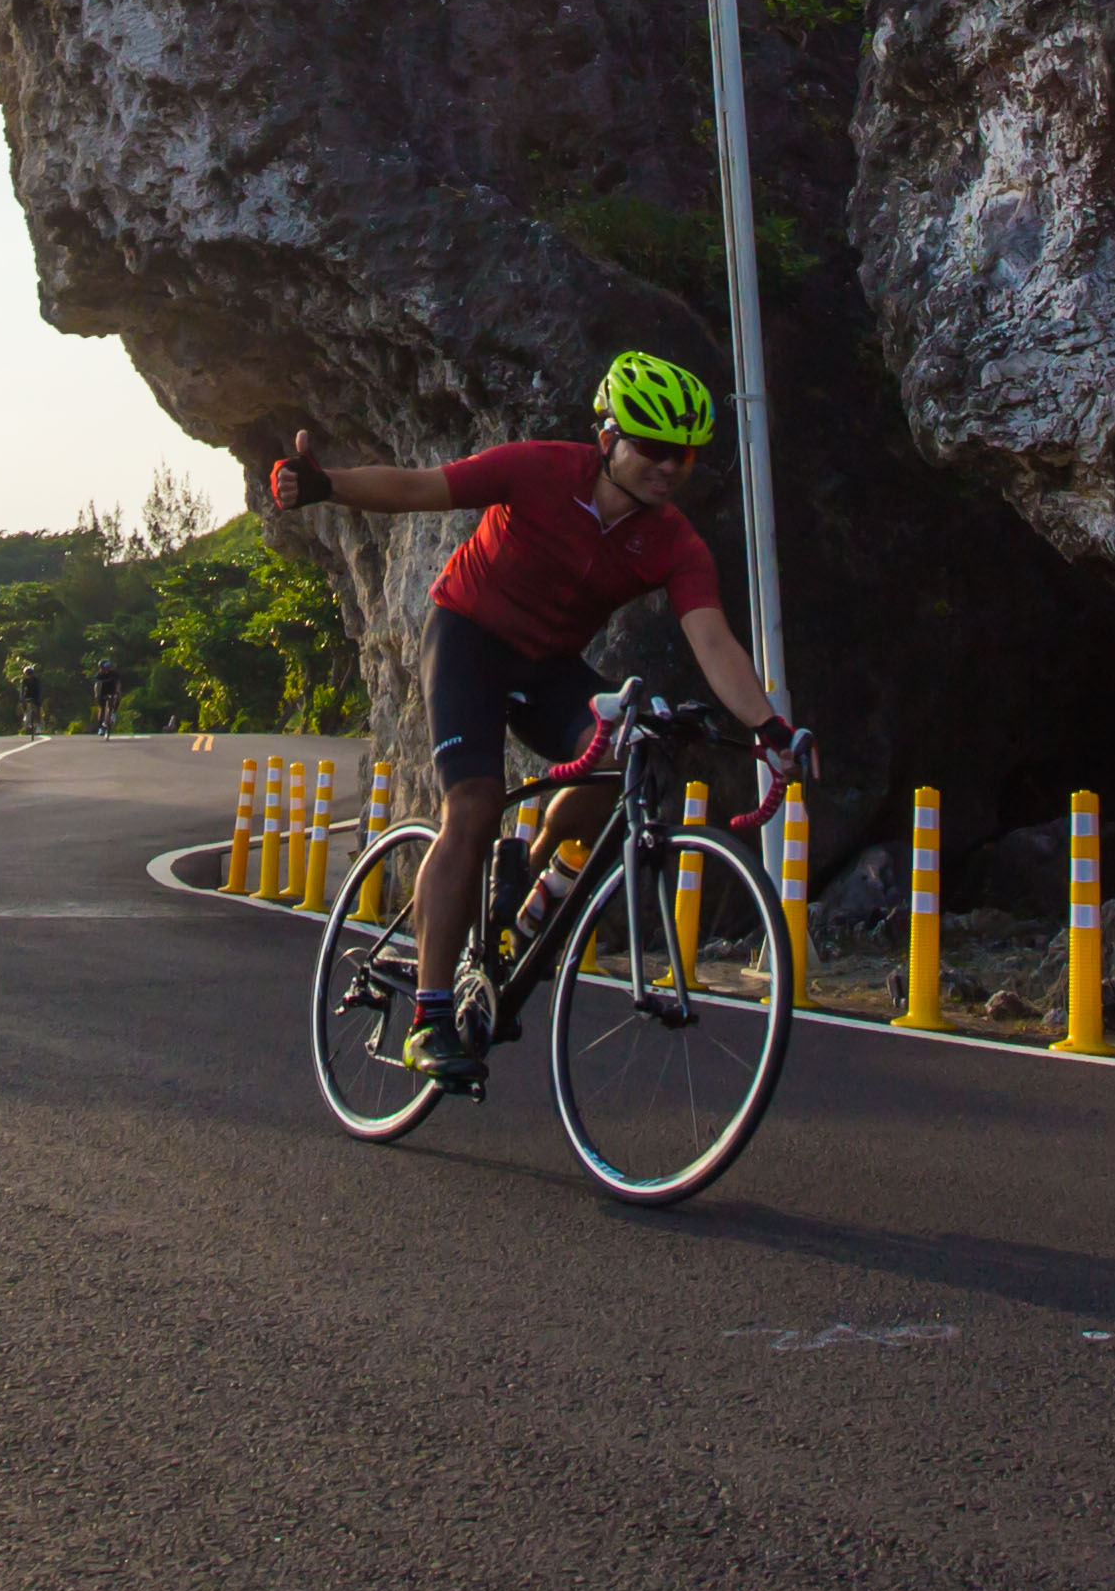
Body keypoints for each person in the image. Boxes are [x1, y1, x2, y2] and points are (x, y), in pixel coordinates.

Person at [270, 351, 803, 1090]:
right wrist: (327, 486)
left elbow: (712, 638)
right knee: (476, 805)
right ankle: (429, 1020)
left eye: (685, 455)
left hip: (548, 666)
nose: (671, 467)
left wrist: (768, 731)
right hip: (468, 641)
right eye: (652, 448)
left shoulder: (672, 541)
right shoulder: (543, 469)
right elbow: (422, 487)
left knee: (630, 745)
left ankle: (541, 869)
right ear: (609, 437)